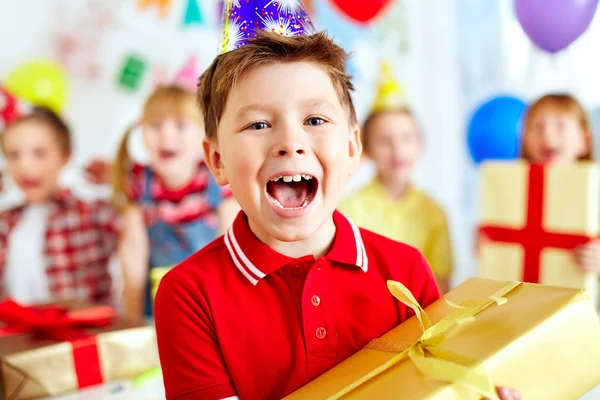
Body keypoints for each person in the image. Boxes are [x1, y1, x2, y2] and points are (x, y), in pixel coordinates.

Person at [154, 2, 521, 399]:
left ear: (351, 149)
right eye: (258, 124)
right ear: (218, 160)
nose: (290, 143)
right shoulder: (187, 295)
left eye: (314, 120)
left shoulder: (406, 271)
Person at [110, 85, 238, 319]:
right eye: (155, 126)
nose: (166, 135)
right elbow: (132, 252)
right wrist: (132, 316)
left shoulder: (218, 182)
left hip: (211, 300)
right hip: (158, 301)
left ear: (203, 134)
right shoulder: (140, 184)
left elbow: (229, 251)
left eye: (180, 125)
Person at [339, 62, 453, 293]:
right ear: (365, 148)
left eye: (406, 138)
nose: (397, 150)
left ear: (420, 145)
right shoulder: (349, 210)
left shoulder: (434, 212)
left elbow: (441, 283)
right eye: (384, 141)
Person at [0, 87, 119, 304]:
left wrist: (121, 178)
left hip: (81, 333)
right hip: (16, 334)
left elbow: (143, 228)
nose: (24, 165)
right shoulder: (5, 221)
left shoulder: (91, 212)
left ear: (65, 156)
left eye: (39, 153)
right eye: (13, 155)